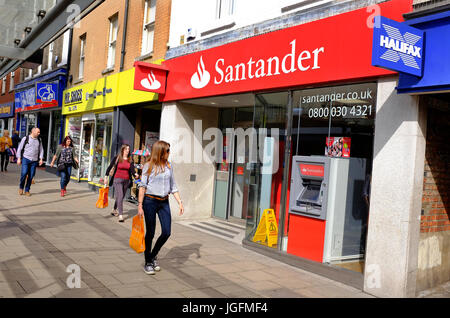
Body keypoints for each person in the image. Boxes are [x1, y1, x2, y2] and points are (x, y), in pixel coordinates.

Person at [137, 140, 184, 275]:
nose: (169, 153)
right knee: (150, 232)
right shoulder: (148, 166)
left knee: (166, 232)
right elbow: (143, 186)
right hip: (150, 201)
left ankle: (153, 255)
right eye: (167, 150)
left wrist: (180, 202)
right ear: (161, 152)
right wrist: (140, 205)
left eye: (169, 150)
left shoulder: (169, 166)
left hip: (164, 202)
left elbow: (173, 186)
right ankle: (148, 262)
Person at [105, 144, 138, 222]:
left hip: (126, 180)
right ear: (122, 150)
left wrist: (135, 174)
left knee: (120, 196)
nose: (128, 151)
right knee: (120, 196)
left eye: (128, 149)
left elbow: (132, 170)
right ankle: (120, 215)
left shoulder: (130, 159)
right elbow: (110, 167)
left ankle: (114, 209)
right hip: (117, 180)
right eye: (126, 149)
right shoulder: (117, 158)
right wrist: (106, 177)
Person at [16, 127, 44, 196]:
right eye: (38, 132)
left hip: (34, 161)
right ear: (33, 132)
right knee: (24, 173)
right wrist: (19, 158)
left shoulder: (39, 140)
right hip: (26, 159)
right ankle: (21, 187)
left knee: (31, 176)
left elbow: (41, 149)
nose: (39, 133)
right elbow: (19, 148)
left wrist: (41, 159)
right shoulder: (25, 138)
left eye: (39, 132)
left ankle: (27, 190)